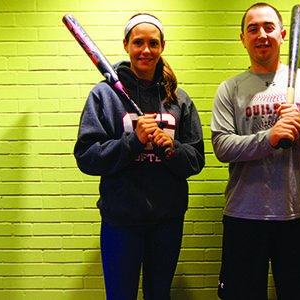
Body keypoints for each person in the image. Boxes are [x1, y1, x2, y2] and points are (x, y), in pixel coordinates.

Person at [210, 2, 300, 299]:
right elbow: (222, 146)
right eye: (252, 28)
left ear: (283, 34)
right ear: (243, 38)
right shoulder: (229, 89)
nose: (261, 34)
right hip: (244, 217)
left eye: (269, 27)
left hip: (298, 215)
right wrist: (269, 137)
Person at [73, 13, 205, 300]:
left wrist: (171, 149)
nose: (146, 50)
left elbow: (196, 159)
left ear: (162, 46)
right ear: (126, 45)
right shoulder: (104, 96)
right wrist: (133, 142)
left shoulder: (179, 99)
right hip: (121, 221)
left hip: (167, 221)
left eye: (153, 43)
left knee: (159, 295)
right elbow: (87, 156)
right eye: (138, 42)